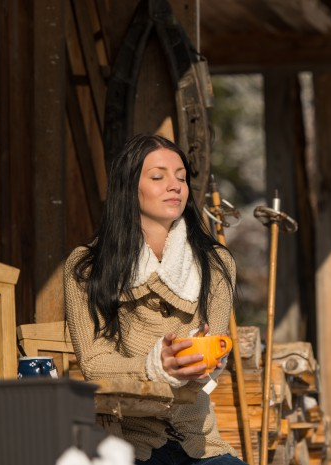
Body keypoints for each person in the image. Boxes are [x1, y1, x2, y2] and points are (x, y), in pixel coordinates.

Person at [64, 134, 247, 465]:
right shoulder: (88, 267)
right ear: (130, 187)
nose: (175, 185)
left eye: (181, 177)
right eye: (158, 176)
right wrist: (156, 366)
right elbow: (93, 363)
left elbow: (210, 353)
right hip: (126, 441)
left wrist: (207, 363)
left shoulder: (217, 264)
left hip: (199, 439)